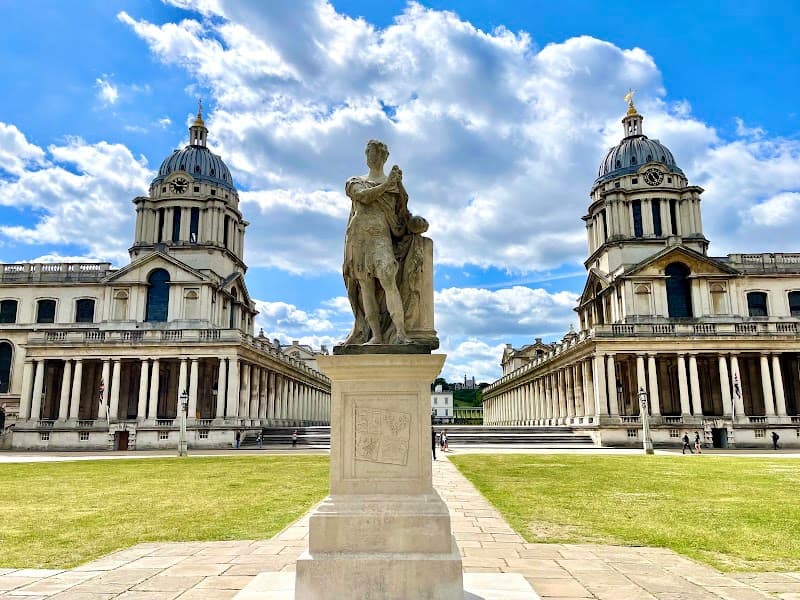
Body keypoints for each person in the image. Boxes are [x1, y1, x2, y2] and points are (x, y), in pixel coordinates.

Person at [342, 139, 429, 346]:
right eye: (369, 152)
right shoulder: (355, 181)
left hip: (381, 236)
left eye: (376, 153)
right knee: (366, 287)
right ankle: (376, 337)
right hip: (358, 237)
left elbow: (402, 213)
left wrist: (417, 224)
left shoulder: (395, 184)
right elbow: (362, 197)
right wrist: (387, 184)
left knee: (389, 281)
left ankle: (400, 333)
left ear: (385, 157)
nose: (371, 156)